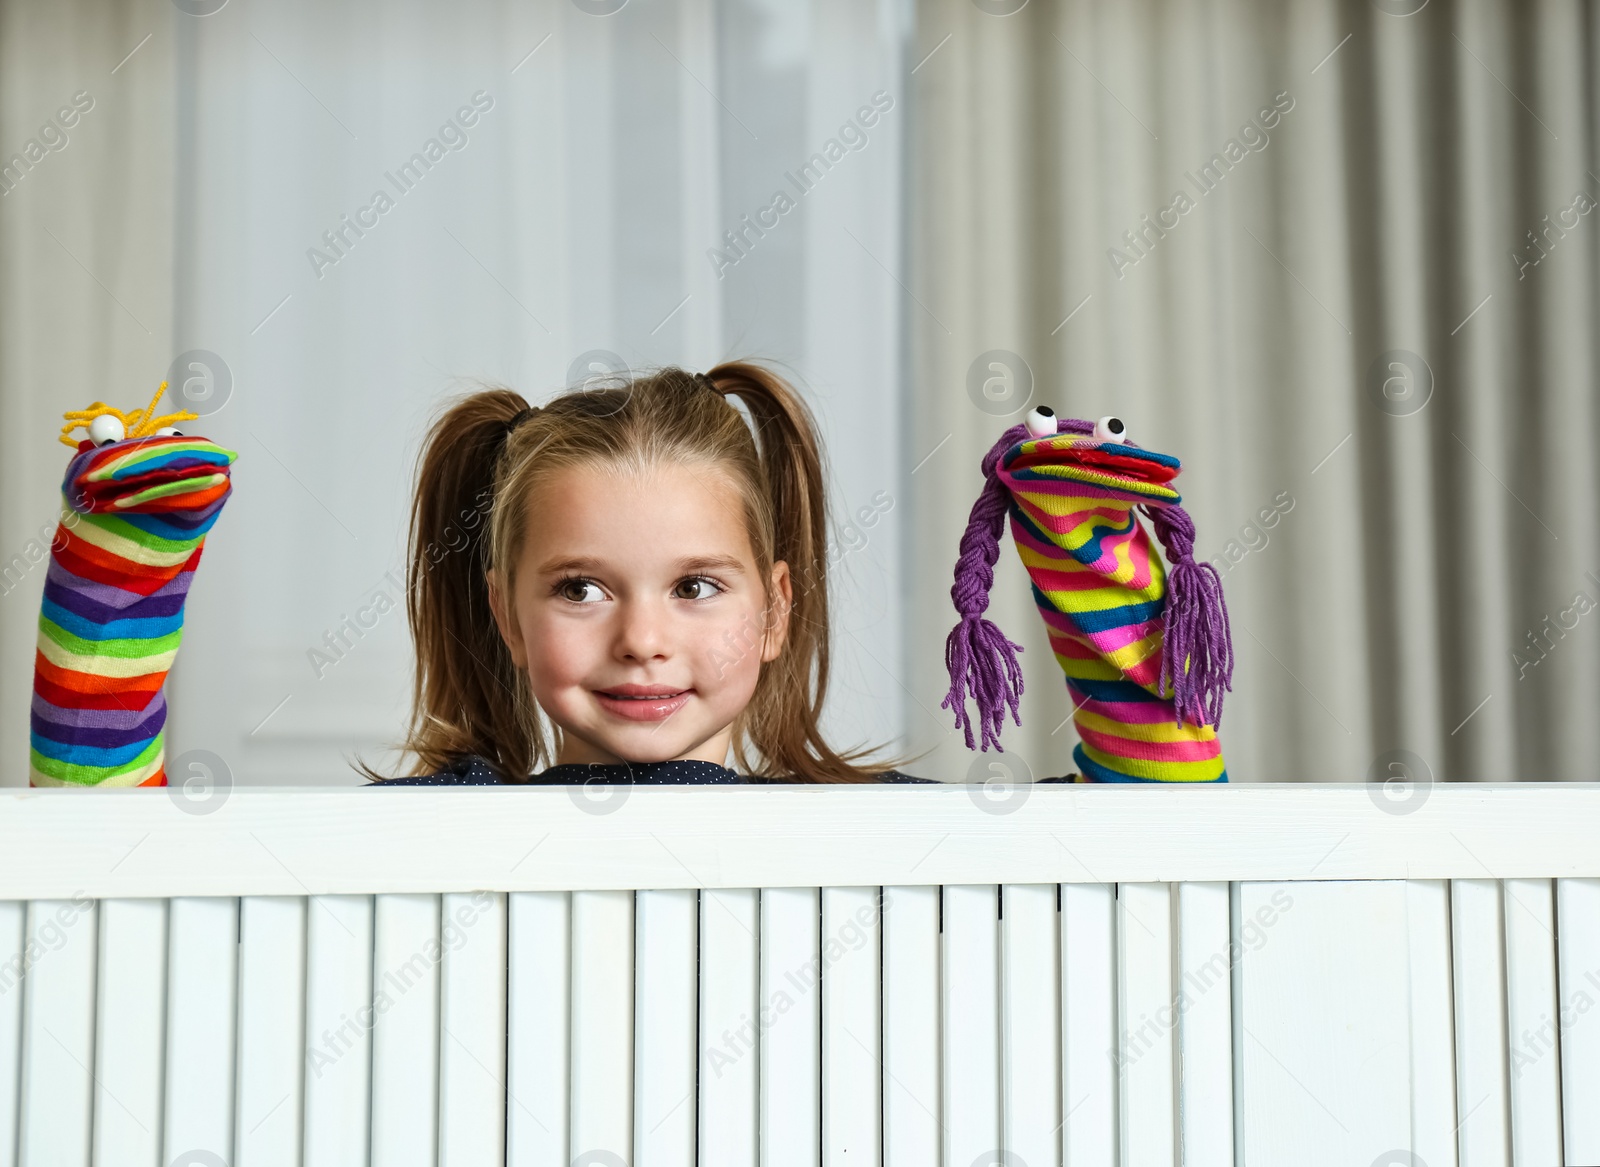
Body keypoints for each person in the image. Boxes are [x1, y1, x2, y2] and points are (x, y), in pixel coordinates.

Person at [374, 363, 1066, 787]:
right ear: (507, 617)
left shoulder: (886, 836)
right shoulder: (431, 833)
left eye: (694, 587)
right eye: (580, 588)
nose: (642, 641)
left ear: (774, 611)